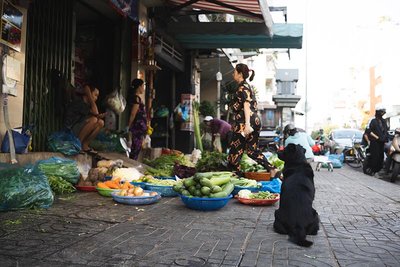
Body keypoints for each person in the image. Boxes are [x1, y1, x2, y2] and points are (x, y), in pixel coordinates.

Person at [227, 63, 276, 176]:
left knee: (234, 152)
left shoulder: (243, 87)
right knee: (252, 151)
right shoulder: (248, 87)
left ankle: (235, 177)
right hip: (254, 120)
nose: (232, 74)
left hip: (244, 122)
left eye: (234, 72)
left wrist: (247, 124)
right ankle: (272, 169)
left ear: (240, 74)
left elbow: (246, 105)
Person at [64, 84, 105, 154]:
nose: (96, 98)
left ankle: (85, 145)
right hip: (70, 131)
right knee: (94, 120)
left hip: (79, 129)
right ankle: (77, 145)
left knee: (101, 122)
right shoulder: (79, 102)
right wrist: (90, 97)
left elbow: (95, 114)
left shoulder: (87, 105)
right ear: (88, 94)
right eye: (95, 95)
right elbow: (95, 112)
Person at [127, 78, 147, 160]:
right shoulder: (136, 99)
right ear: (139, 87)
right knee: (135, 148)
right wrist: (129, 125)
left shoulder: (137, 98)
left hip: (139, 127)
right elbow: (133, 113)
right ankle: (131, 164)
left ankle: (132, 163)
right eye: (142, 86)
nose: (143, 88)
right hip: (137, 127)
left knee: (136, 147)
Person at [368, 107, 388, 175]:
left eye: (383, 112)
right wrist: (377, 137)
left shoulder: (384, 121)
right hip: (375, 142)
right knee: (375, 156)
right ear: (378, 112)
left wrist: (385, 138)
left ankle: (379, 170)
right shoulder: (373, 121)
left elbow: (385, 130)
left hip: (382, 142)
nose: (382, 113)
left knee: (381, 156)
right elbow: (369, 131)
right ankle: (374, 171)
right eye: (381, 112)